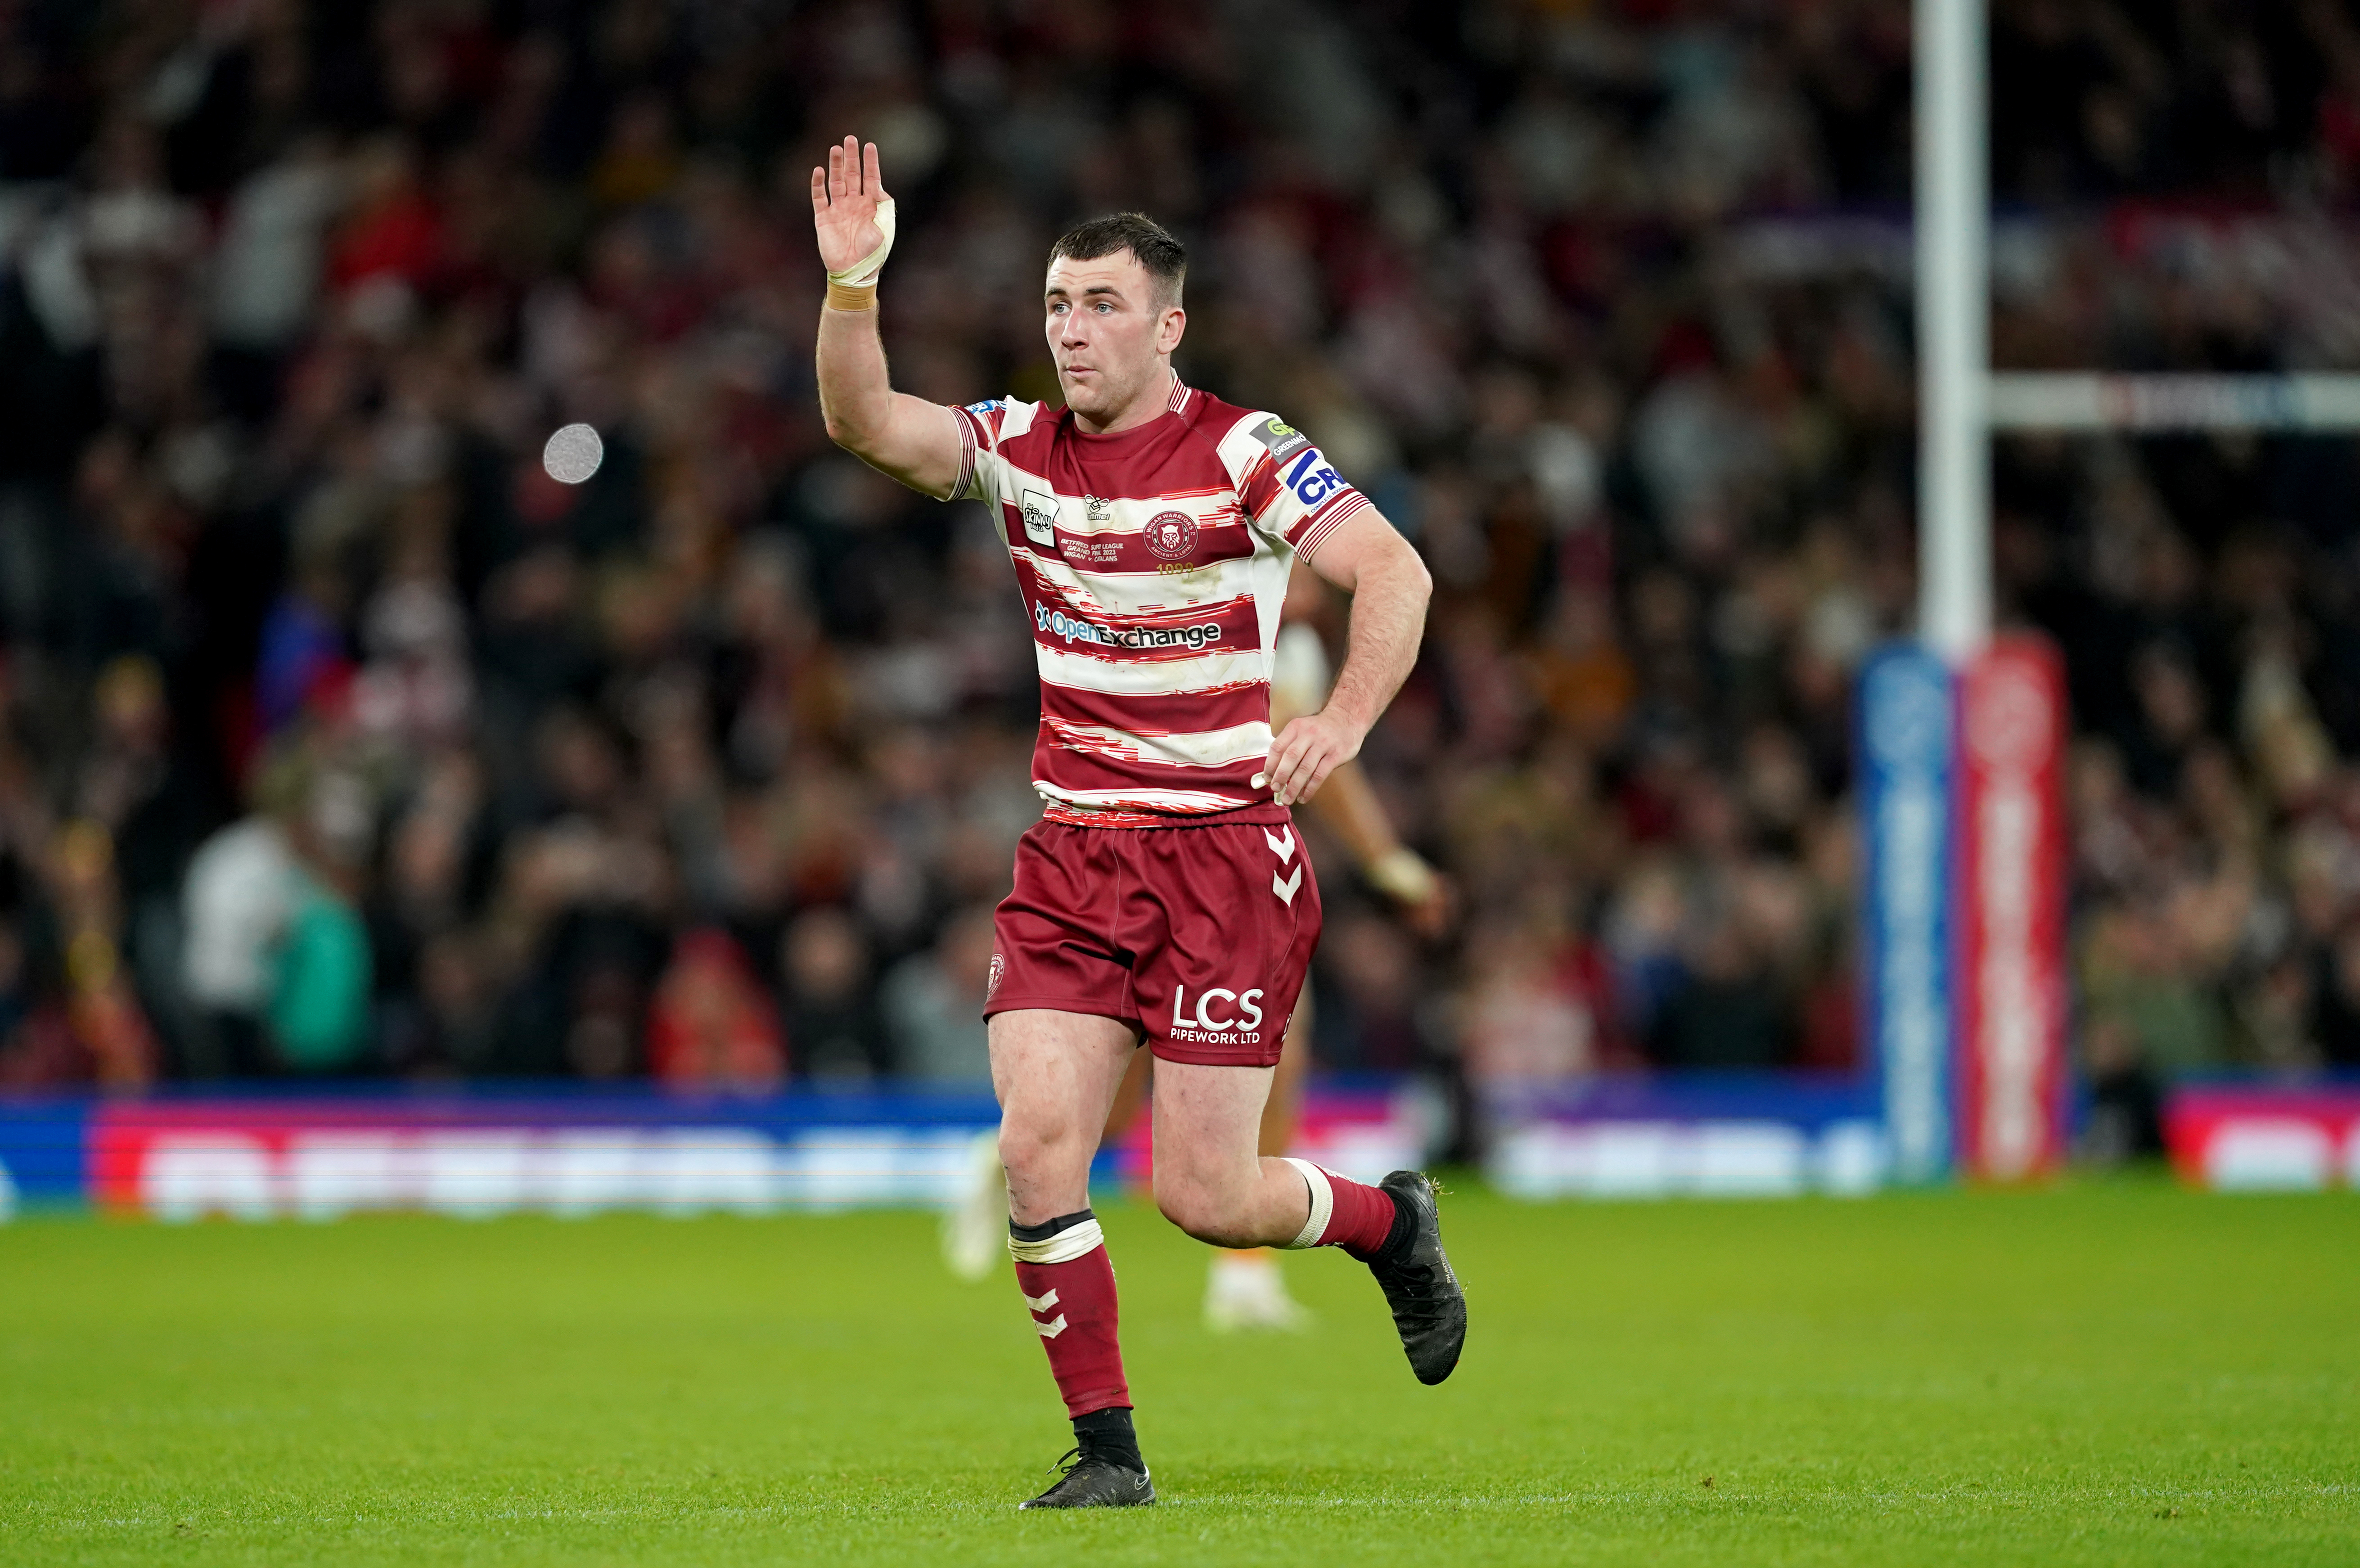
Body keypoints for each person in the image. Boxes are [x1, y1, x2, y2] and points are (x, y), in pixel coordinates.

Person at [812, 136, 1464, 1508]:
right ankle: (1107, 1453)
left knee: (1205, 1196)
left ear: (1167, 323)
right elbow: (865, 421)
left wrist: (1339, 723)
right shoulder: (1017, 447)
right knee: (1038, 1144)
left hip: (1225, 856)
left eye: (1101, 304)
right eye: (1057, 303)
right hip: (1076, 854)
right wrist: (854, 287)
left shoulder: (1246, 450)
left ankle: (1387, 1221)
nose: (1071, 328)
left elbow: (1390, 571)